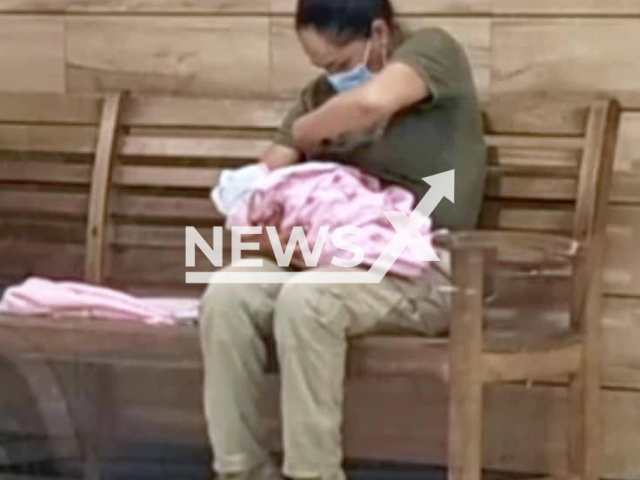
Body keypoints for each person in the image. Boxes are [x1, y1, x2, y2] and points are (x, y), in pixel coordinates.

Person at [199, 1, 486, 480]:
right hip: (332, 258)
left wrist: (311, 130)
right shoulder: (321, 95)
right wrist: (258, 208)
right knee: (228, 294)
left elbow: (370, 102)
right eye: (321, 70)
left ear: (379, 32)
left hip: (427, 267)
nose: (332, 80)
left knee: (309, 302)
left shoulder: (432, 51)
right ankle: (240, 470)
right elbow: (268, 171)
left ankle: (312, 474)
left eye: (337, 65)